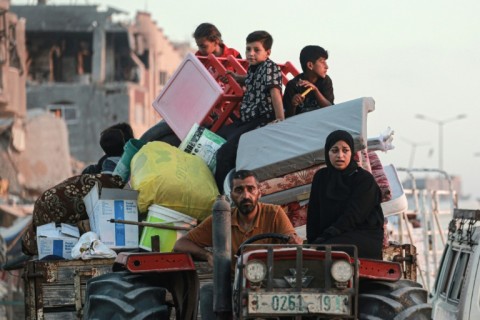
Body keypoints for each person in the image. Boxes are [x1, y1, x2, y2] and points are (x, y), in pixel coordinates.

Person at [173, 169, 302, 319]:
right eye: (239, 190)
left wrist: (294, 241)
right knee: (208, 292)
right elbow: (181, 244)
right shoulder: (222, 218)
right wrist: (208, 254)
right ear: (231, 195)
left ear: (259, 192)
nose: (245, 195)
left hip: (268, 281)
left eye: (250, 189)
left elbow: (292, 242)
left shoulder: (274, 213)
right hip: (235, 282)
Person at [214, 30, 284, 193]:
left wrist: (280, 118)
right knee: (217, 137)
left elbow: (275, 92)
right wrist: (237, 77)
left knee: (224, 154)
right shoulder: (254, 68)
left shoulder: (269, 67)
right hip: (246, 119)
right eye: (248, 49)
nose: (251, 54)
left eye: (256, 50)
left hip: (260, 119)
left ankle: (221, 197)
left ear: (268, 52)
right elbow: (250, 79)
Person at [306, 130, 384, 259]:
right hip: (330, 237)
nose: (340, 156)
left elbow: (354, 216)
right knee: (312, 254)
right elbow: (314, 213)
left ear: (352, 152)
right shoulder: (321, 177)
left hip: (362, 235)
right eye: (335, 150)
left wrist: (324, 239)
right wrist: (312, 242)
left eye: (345, 150)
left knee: (325, 250)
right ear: (327, 152)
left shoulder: (364, 179)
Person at [284, 45, 334, 118]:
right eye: (322, 62)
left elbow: (331, 109)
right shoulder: (293, 85)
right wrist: (293, 105)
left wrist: (315, 90)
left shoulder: (325, 81)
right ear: (310, 65)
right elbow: (287, 118)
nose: (326, 66)